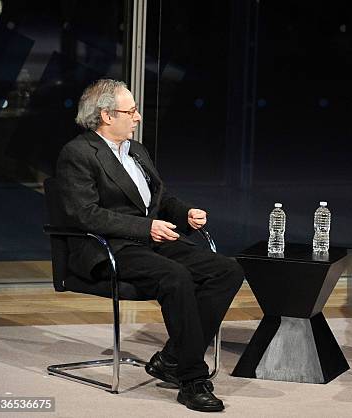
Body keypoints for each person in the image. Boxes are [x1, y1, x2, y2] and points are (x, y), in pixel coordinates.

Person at [56, 79, 244, 412]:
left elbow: (161, 198)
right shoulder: (79, 153)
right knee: (176, 277)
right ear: (106, 115)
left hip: (150, 240)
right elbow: (84, 214)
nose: (138, 117)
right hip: (110, 248)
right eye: (131, 111)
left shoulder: (137, 151)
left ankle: (172, 359)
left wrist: (185, 213)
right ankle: (191, 380)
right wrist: (146, 228)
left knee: (227, 270)